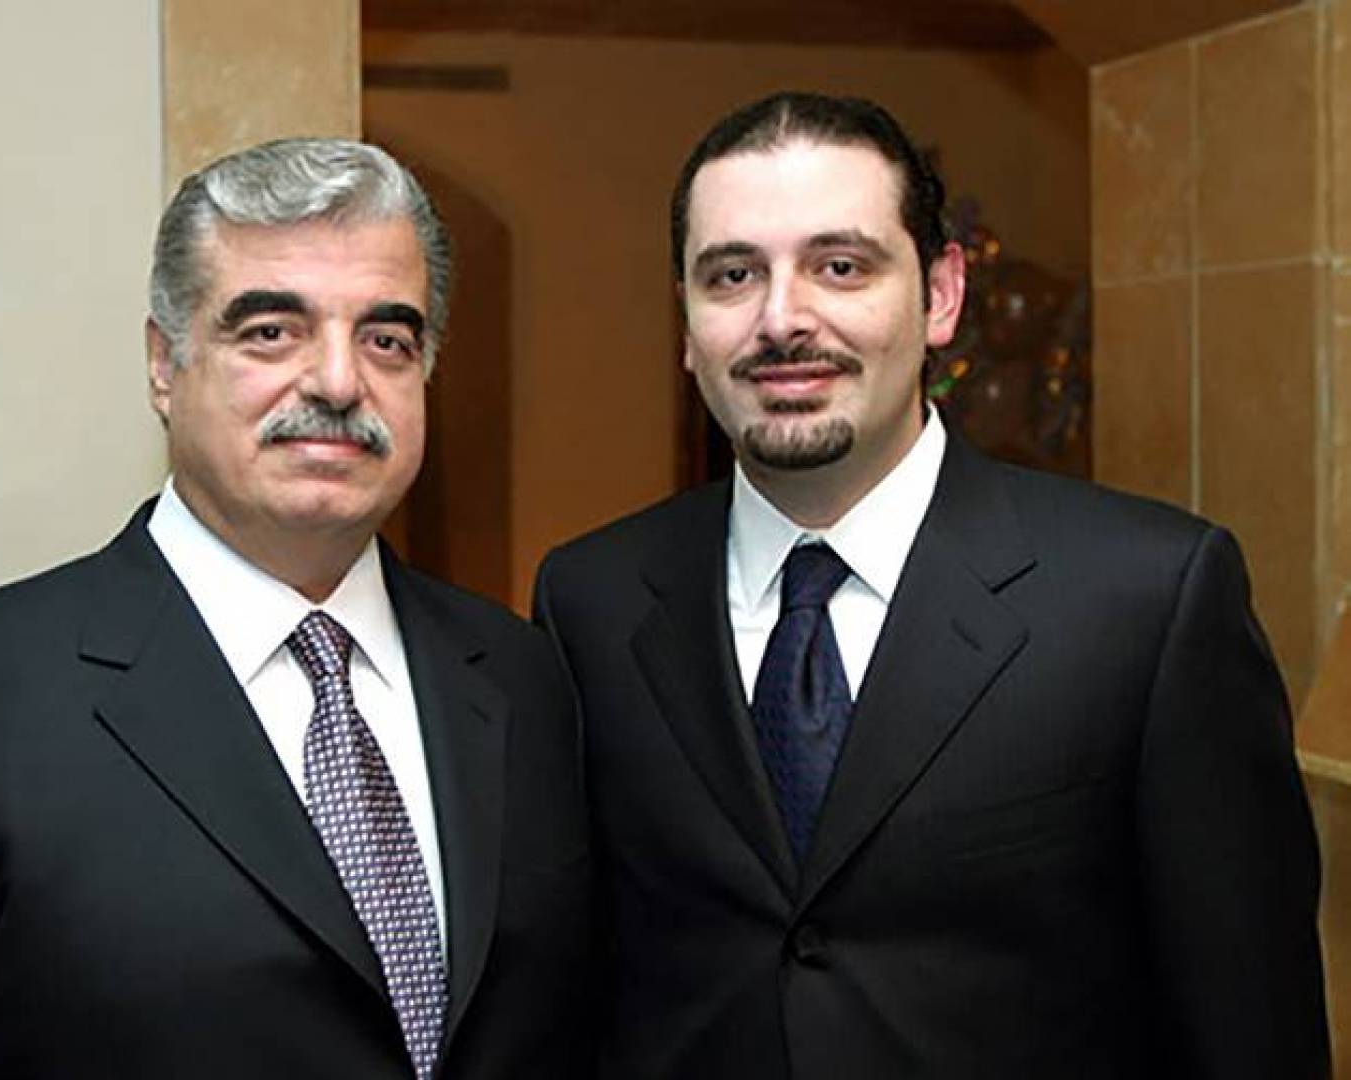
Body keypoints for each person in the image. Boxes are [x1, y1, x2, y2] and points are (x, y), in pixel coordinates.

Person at [534, 91, 1327, 1077]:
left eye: (840, 266)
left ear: (940, 295)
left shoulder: (1148, 599)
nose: (782, 319)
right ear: (688, 324)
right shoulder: (591, 603)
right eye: (733, 275)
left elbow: (1251, 1023)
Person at [0, 138, 589, 1079]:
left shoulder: (521, 675)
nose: (337, 381)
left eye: (385, 340)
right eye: (270, 332)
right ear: (164, 364)